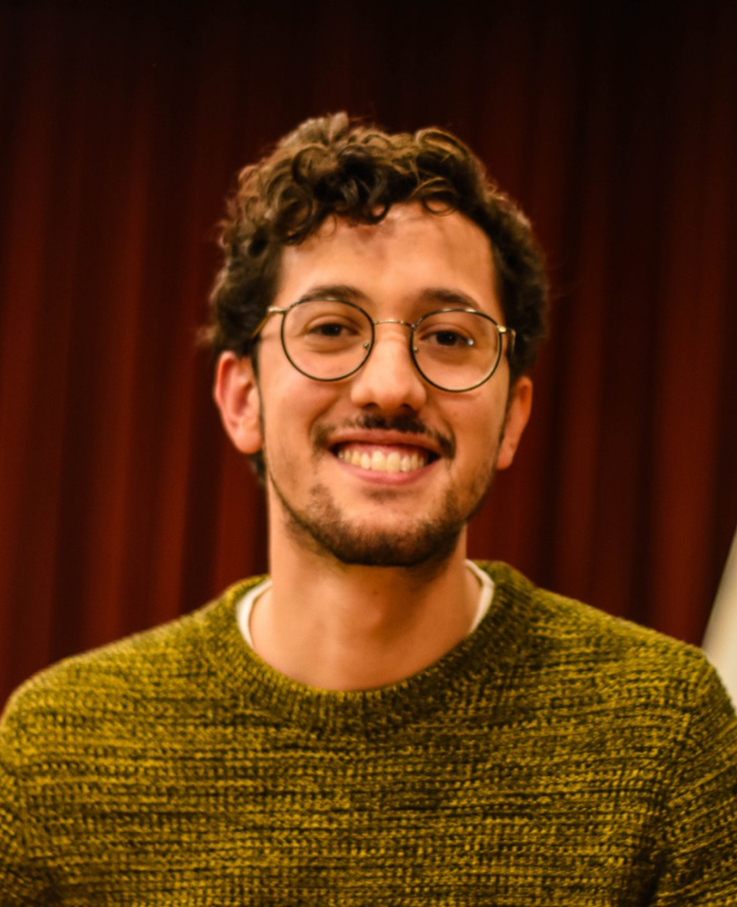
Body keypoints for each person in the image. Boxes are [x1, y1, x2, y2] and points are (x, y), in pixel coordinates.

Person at [1, 113, 736, 905]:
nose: (390, 385)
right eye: (330, 328)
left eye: (449, 336)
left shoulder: (664, 735)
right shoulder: (56, 754)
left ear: (512, 419)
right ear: (242, 399)